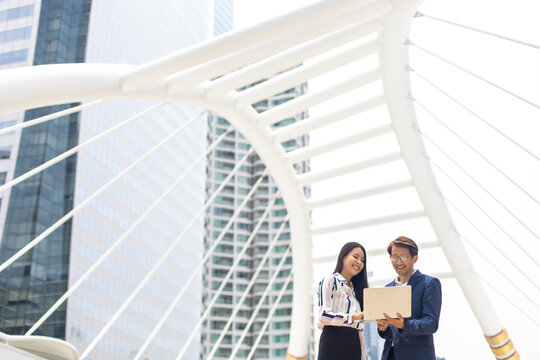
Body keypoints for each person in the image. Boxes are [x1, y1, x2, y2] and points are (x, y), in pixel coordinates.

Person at [376, 236, 442, 360]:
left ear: (414, 259)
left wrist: (404, 324)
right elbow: (390, 332)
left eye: (404, 257)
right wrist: (383, 328)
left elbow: (431, 323)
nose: (398, 262)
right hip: (390, 355)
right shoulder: (387, 288)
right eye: (394, 257)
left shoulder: (429, 283)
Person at [317, 242, 369, 360]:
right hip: (333, 343)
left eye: (362, 260)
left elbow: (360, 329)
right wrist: (354, 317)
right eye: (355, 257)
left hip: (354, 345)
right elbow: (323, 315)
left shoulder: (358, 292)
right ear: (343, 257)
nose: (359, 262)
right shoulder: (330, 280)